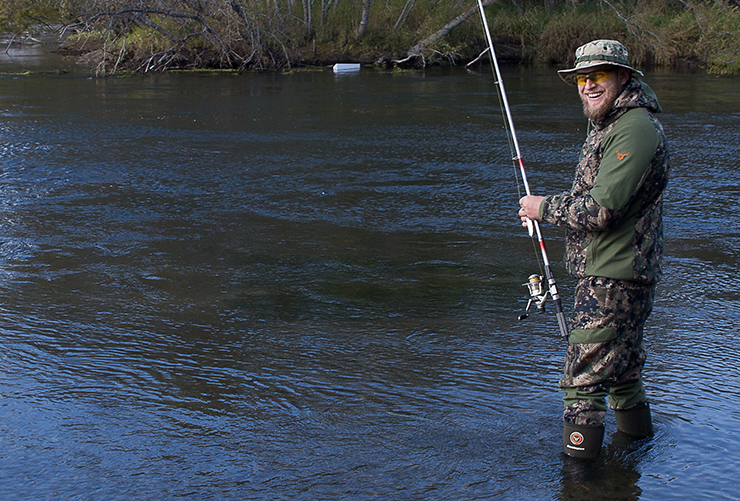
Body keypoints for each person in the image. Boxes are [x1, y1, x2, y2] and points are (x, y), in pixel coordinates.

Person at [518, 40, 670, 459]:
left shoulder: (634, 128)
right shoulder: (611, 124)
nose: (588, 85)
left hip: (614, 276)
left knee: (583, 383)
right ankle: (633, 467)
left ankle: (579, 479)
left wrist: (542, 207)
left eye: (598, 76)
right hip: (616, 272)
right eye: (582, 78)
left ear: (624, 77)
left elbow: (603, 209)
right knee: (621, 373)